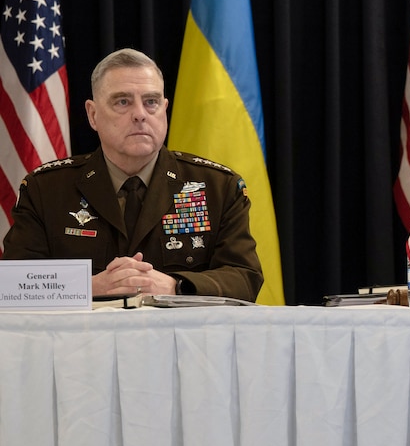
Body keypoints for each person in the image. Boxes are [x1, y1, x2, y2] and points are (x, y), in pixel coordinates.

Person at [2, 48, 263, 301]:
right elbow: (14, 283)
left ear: (164, 109)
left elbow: (245, 277)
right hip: (82, 343)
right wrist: (87, 286)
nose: (140, 114)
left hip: (180, 342)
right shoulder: (46, 190)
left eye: (151, 102)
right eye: (123, 101)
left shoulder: (217, 187)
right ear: (93, 115)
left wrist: (177, 286)